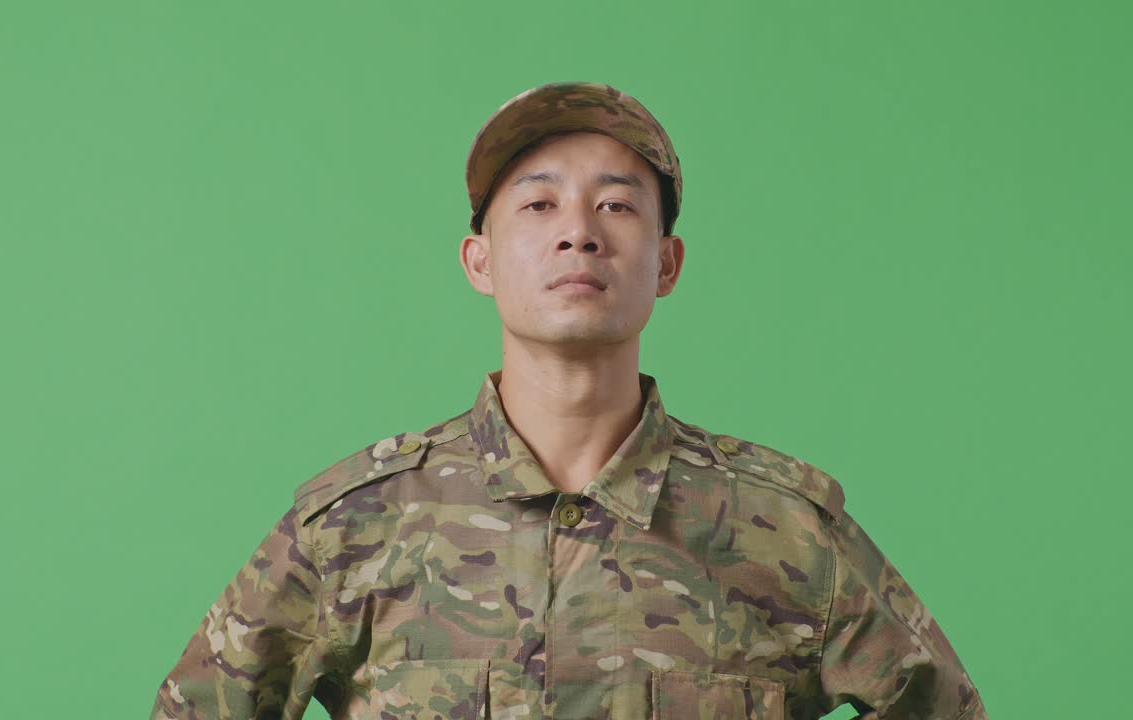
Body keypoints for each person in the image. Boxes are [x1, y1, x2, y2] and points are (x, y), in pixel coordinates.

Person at [149, 81, 987, 720]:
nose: (578, 231)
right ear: (480, 261)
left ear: (665, 264)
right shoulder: (355, 526)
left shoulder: (785, 528)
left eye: (617, 205)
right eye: (539, 203)